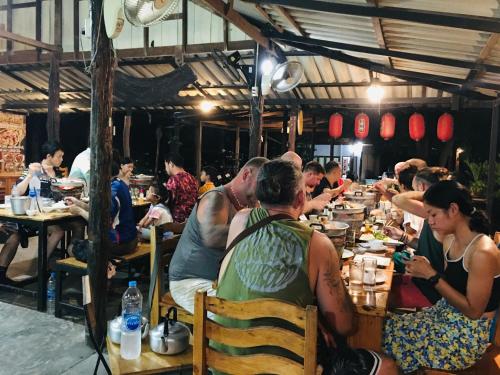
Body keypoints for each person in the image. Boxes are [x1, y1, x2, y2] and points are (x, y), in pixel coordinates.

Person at [215, 159, 397, 374]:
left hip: (223, 360)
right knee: (386, 365)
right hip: (285, 367)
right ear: (301, 198)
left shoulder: (241, 220)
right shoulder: (318, 243)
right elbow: (345, 325)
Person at [383, 181, 500, 373]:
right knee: (383, 325)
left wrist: (431, 275)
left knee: (387, 342)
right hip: (443, 315)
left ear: (453, 209)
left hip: (465, 336)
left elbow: (473, 312)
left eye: (433, 214)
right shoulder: (450, 239)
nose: (429, 221)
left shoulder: (482, 252)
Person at [168, 157, 268, 314]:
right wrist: (256, 229)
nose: (264, 190)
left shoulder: (250, 202)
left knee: (265, 302)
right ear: (246, 174)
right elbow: (212, 237)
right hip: (191, 282)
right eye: (262, 183)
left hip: (219, 281)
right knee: (242, 317)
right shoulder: (216, 198)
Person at [0, 142, 85, 284]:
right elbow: (17, 192)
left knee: (78, 224)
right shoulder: (34, 169)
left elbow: (58, 195)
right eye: (59, 156)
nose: (61, 159)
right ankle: (41, 267)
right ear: (48, 156)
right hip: (32, 214)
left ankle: (72, 261)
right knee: (57, 231)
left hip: (52, 214)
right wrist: (29, 176)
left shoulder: (57, 172)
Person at [385, 167, 450, 304]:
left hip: (430, 293)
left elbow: (398, 198)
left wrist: (429, 193)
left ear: (421, 187)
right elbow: (429, 247)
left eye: (414, 189)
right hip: (422, 282)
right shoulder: (435, 215)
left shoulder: (439, 215)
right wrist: (402, 236)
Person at [67, 155, 138, 256]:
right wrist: (78, 203)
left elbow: (100, 222)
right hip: (130, 238)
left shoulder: (111, 191)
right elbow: (99, 210)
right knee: (82, 242)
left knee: (72, 249)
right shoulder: (119, 184)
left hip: (119, 243)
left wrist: (79, 211)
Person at [163, 153, 198, 223]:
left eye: (166, 166)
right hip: (192, 219)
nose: (165, 169)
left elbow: (168, 201)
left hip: (178, 221)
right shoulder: (192, 178)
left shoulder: (173, 179)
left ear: (171, 164)